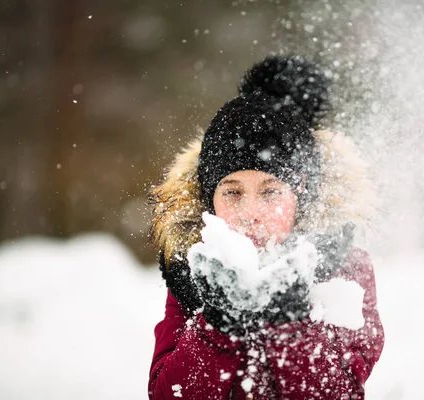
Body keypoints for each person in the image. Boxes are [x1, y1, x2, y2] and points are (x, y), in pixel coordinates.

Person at [147, 55, 384, 400]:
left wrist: (292, 324)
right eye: (232, 191)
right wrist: (216, 323)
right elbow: (168, 394)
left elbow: (342, 393)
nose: (250, 213)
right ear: (209, 198)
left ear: (301, 193)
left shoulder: (343, 269)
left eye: (270, 191)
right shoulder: (193, 270)